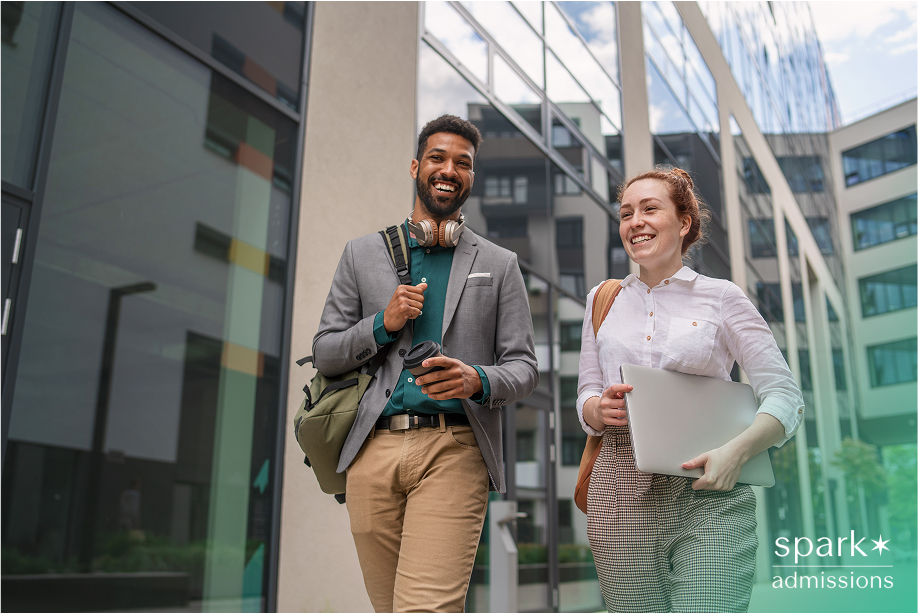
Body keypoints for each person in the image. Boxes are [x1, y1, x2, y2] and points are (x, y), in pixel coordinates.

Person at [312, 115, 538, 613]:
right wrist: (382, 323)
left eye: (463, 163)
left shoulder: (500, 264)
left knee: (426, 609)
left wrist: (475, 378)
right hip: (371, 451)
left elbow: (523, 368)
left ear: (471, 178)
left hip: (454, 448)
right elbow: (326, 351)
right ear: (417, 166)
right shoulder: (361, 254)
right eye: (438, 157)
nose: (449, 169)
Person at [577, 167, 804, 612]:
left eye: (649, 209)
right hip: (620, 492)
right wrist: (595, 409)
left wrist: (736, 453)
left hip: (708, 486)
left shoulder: (723, 297)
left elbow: (785, 396)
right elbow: (588, 388)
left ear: (684, 223)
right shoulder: (602, 299)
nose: (634, 221)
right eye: (626, 213)